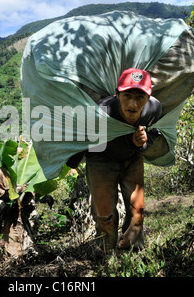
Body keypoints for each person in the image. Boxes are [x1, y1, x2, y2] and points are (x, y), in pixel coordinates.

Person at [67, 68, 162, 252]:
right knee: (104, 215)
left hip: (131, 159)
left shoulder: (153, 109)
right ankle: (105, 251)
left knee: (138, 211)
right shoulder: (102, 111)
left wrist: (141, 143)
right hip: (101, 160)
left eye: (140, 97)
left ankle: (133, 250)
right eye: (127, 95)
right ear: (117, 94)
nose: (133, 104)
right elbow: (83, 139)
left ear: (148, 98)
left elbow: (154, 134)